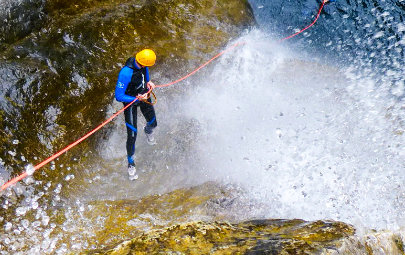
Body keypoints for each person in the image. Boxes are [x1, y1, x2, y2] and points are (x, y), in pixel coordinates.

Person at [115, 49, 158, 180]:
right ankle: (131, 163)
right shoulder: (125, 73)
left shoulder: (142, 65)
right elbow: (118, 96)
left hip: (144, 96)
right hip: (131, 102)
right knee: (132, 135)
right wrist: (136, 99)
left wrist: (149, 83)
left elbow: (145, 76)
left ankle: (148, 131)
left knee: (153, 123)